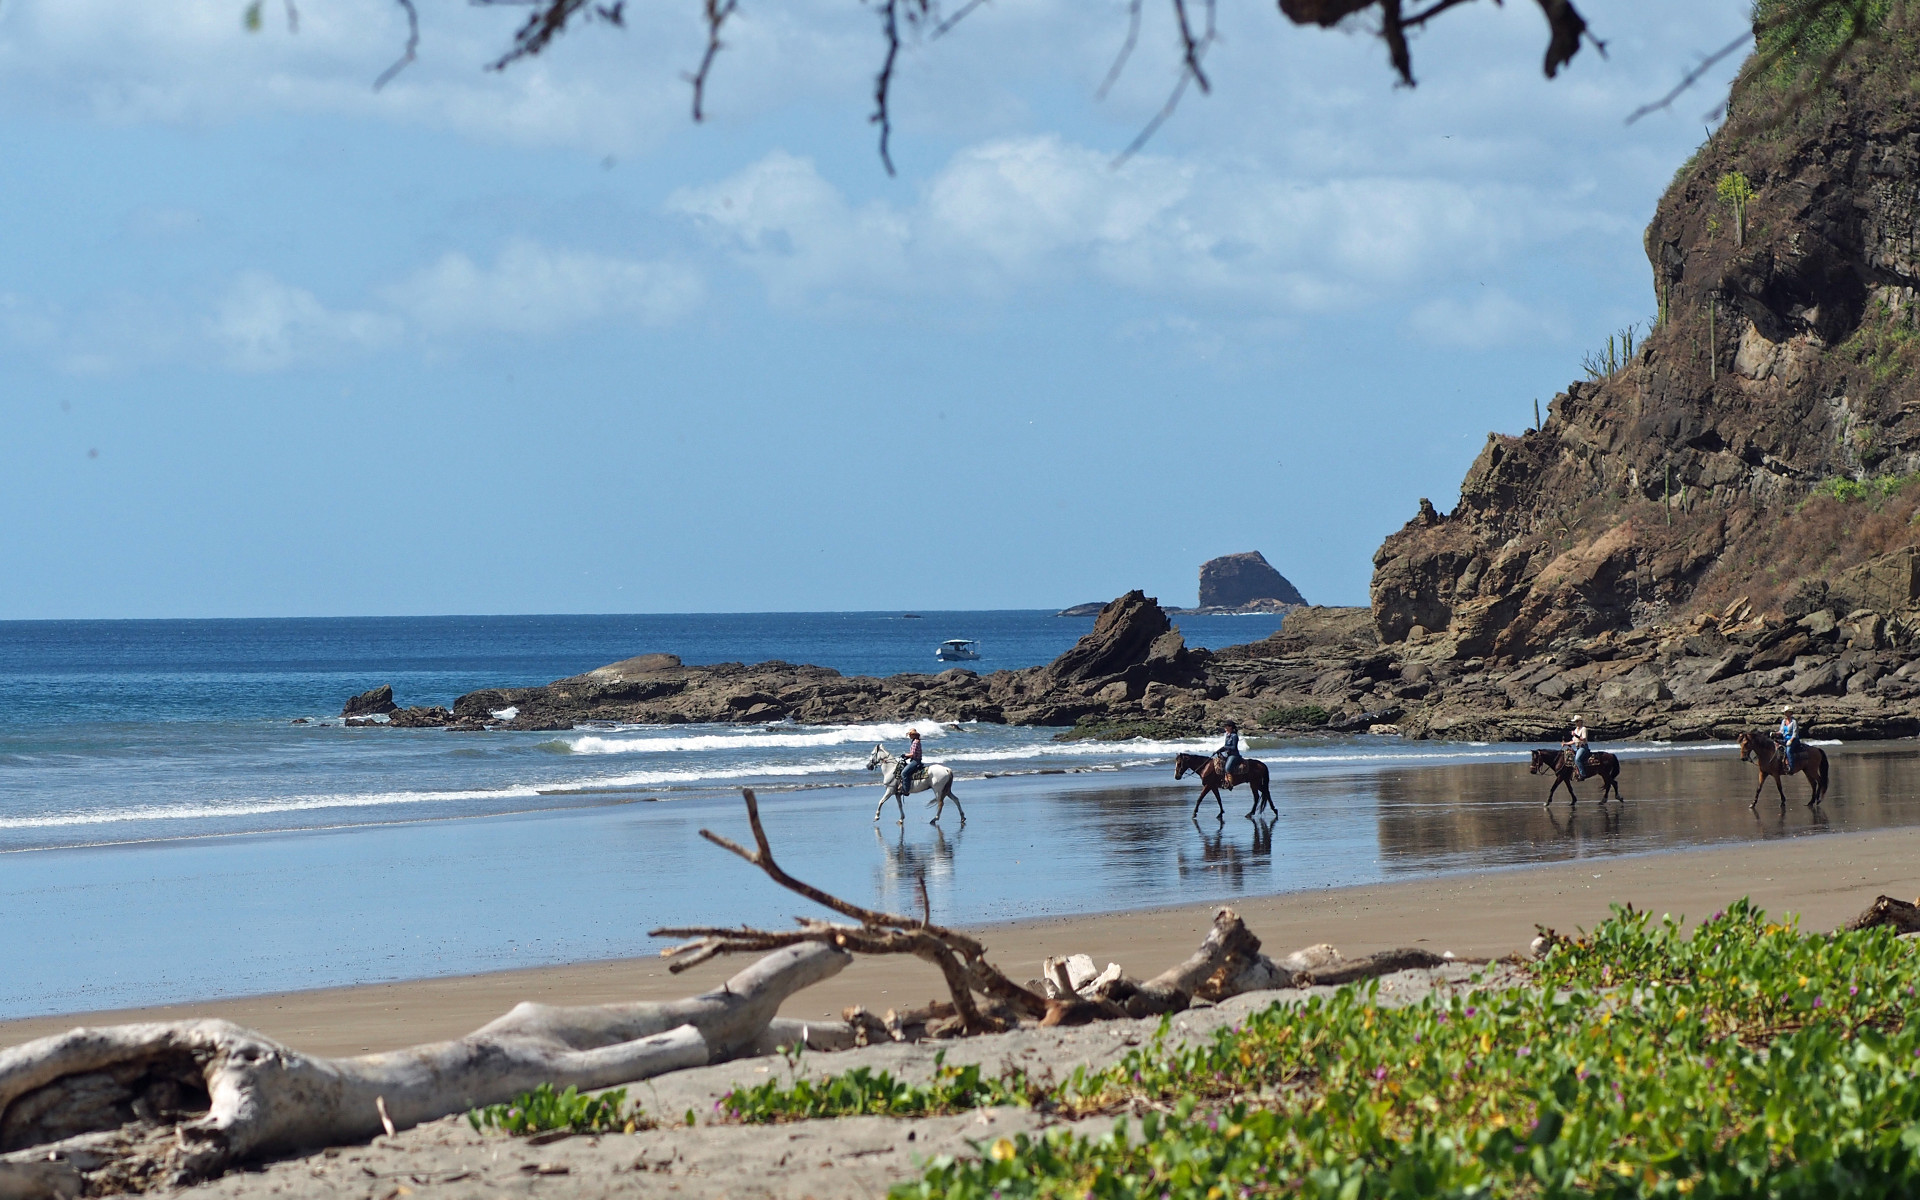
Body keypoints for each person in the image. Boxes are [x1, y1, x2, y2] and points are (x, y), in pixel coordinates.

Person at [1216, 720, 1244, 785]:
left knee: (1227, 768)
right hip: (1228, 754)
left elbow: (1233, 747)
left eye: (1226, 726)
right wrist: (1219, 750)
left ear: (1230, 727)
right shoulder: (1227, 735)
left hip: (1234, 755)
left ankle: (1229, 783)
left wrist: (1225, 747)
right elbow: (1226, 746)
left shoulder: (1234, 736)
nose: (1225, 727)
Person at [898, 728, 923, 796]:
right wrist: (907, 757)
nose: (909, 736)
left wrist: (905, 755)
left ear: (914, 735)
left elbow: (912, 754)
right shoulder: (916, 741)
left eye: (910, 735)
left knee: (904, 773)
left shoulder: (915, 742)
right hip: (915, 759)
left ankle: (906, 790)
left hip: (915, 761)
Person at [1564, 715, 1591, 780]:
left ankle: (1582, 774)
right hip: (1578, 748)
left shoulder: (1583, 729)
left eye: (1576, 721)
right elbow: (1573, 741)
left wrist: (1575, 735)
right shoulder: (1576, 730)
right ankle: (1575, 772)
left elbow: (1583, 739)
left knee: (1577, 759)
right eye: (1575, 722)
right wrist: (1565, 743)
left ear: (1580, 722)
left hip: (1583, 747)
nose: (1575, 723)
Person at [1778, 706, 1798, 772]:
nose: (1785, 713)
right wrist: (1775, 733)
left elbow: (1795, 733)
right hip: (1785, 739)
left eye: (1787, 712)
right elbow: (1781, 731)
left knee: (1788, 750)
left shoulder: (1794, 722)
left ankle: (1791, 767)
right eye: (1785, 712)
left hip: (1793, 740)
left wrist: (1791, 740)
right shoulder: (1784, 721)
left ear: (1790, 713)